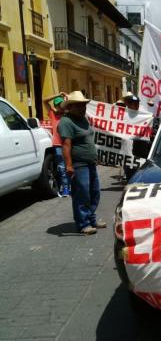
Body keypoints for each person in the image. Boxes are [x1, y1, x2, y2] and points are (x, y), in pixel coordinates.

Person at [58, 91, 106, 235]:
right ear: (70, 107)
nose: (82, 108)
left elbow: (88, 139)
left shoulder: (83, 119)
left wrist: (94, 157)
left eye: (83, 105)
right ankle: (83, 224)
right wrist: (68, 165)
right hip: (78, 165)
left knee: (94, 193)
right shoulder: (66, 122)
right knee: (82, 194)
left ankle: (91, 219)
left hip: (90, 163)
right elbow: (66, 145)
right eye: (78, 106)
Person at [44, 92, 70, 197]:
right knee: (62, 167)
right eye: (58, 105)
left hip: (69, 143)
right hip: (58, 144)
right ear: (55, 106)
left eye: (62, 104)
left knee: (70, 166)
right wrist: (57, 95)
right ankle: (66, 188)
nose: (61, 107)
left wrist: (66, 98)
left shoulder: (68, 115)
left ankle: (71, 186)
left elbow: (71, 105)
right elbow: (44, 101)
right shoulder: (52, 114)